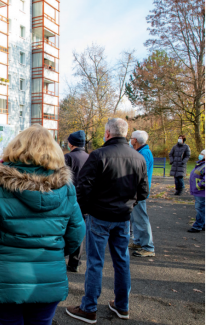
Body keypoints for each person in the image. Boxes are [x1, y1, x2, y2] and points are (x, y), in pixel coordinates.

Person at [0, 125, 85, 325]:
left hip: (3, 280)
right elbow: (76, 233)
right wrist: (52, 253)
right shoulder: (66, 188)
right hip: (48, 280)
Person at [66, 118, 148, 323]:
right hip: (122, 217)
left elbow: (83, 188)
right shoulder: (138, 158)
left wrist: (84, 210)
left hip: (99, 216)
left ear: (108, 133)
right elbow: (143, 192)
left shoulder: (99, 155)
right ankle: (122, 305)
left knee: (95, 262)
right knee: (122, 262)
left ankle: (89, 307)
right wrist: (129, 204)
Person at [64, 130, 89, 272]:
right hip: (84, 199)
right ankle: (75, 262)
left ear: (71, 143)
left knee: (65, 228)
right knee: (79, 229)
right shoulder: (90, 157)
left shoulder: (67, 158)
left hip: (69, 198)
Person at [128, 130, 155, 258]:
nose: (130, 139)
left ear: (136, 140)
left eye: (132, 138)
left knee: (141, 219)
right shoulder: (141, 152)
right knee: (135, 218)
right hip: (137, 191)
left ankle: (148, 247)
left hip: (138, 192)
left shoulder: (144, 153)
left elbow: (138, 174)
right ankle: (138, 242)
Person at [188, 149, 205, 233]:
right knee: (201, 208)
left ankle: (198, 226)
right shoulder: (201, 164)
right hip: (199, 191)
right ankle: (203, 224)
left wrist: (199, 185)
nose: (200, 155)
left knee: (200, 208)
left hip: (201, 192)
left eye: (202, 154)